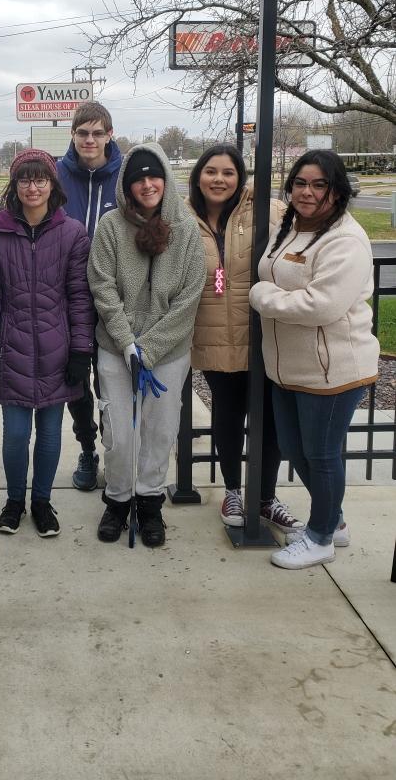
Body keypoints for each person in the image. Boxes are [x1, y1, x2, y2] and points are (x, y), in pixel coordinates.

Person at [249, 149, 379, 569]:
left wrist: (262, 297)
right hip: (289, 368)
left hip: (332, 370)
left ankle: (322, 536)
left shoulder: (346, 239)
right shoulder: (290, 227)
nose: (307, 192)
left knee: (321, 455)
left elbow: (321, 306)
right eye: (300, 183)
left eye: (319, 184)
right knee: (294, 447)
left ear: (336, 189)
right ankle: (333, 521)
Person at [0, 149, 94, 537]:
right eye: (25, 179)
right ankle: (14, 501)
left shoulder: (73, 232)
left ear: (52, 184)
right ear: (15, 185)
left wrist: (81, 349)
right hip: (13, 349)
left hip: (59, 350)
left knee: (51, 433)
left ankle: (41, 502)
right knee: (17, 434)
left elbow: (79, 295)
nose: (33, 186)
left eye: (41, 178)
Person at [88, 143, 205, 547]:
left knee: (158, 431)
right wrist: (128, 345)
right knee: (118, 432)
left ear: (166, 178)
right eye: (138, 177)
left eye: (153, 175)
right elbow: (102, 287)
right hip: (116, 348)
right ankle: (118, 499)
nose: (147, 183)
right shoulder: (110, 227)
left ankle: (150, 500)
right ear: (127, 183)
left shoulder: (187, 229)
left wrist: (149, 349)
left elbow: (190, 297)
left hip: (168, 351)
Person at [188, 143, 304, 533]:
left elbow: (303, 230)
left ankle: (266, 497)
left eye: (228, 172)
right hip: (212, 333)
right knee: (227, 413)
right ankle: (233, 489)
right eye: (211, 171)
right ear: (198, 176)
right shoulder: (185, 217)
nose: (218, 179)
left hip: (260, 334)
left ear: (240, 178)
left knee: (268, 417)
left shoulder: (263, 212)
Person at [56, 101, 123, 491]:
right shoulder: (57, 176)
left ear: (109, 135)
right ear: (74, 135)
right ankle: (87, 450)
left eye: (98, 133)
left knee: (112, 385)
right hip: (68, 300)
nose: (90, 140)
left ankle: (117, 452)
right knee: (77, 383)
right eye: (83, 133)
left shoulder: (126, 175)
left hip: (115, 300)